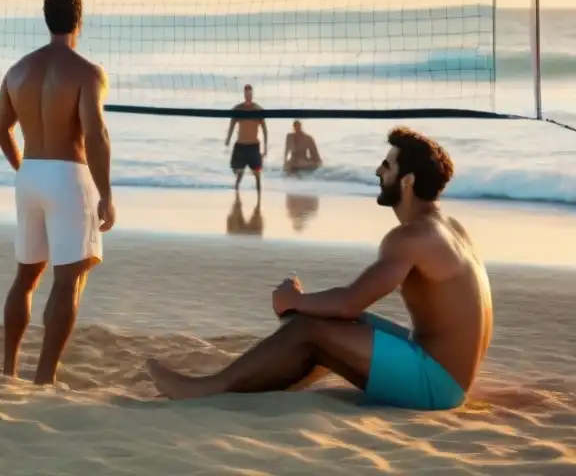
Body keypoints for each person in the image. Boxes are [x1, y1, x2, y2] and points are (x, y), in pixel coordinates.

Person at [147, 127, 493, 411]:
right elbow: (348, 309)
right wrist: (302, 303)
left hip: (435, 385)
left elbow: (349, 303)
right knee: (317, 323)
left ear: (408, 181)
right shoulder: (449, 227)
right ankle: (275, 382)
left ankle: (207, 389)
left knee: (308, 329)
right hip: (450, 374)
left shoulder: (411, 237)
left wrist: (292, 299)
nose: (378, 171)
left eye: (387, 166)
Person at [0, 0, 115, 385]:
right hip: (68, 176)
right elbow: (96, 135)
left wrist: (24, 171)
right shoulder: (87, 72)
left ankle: (9, 370)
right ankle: (44, 378)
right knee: (68, 282)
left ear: (47, 19)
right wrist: (107, 194)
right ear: (79, 21)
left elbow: (2, 132)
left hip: (30, 174)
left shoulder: (17, 71)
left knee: (26, 276)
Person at [224, 84, 268, 195]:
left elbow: (265, 130)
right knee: (237, 171)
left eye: (250, 93)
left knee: (257, 174)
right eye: (246, 93)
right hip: (240, 145)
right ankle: (237, 190)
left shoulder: (258, 109)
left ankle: (259, 200)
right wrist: (228, 138)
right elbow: (232, 124)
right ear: (244, 94)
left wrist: (265, 147)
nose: (248, 95)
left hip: (253, 146)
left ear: (252, 94)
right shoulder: (238, 109)